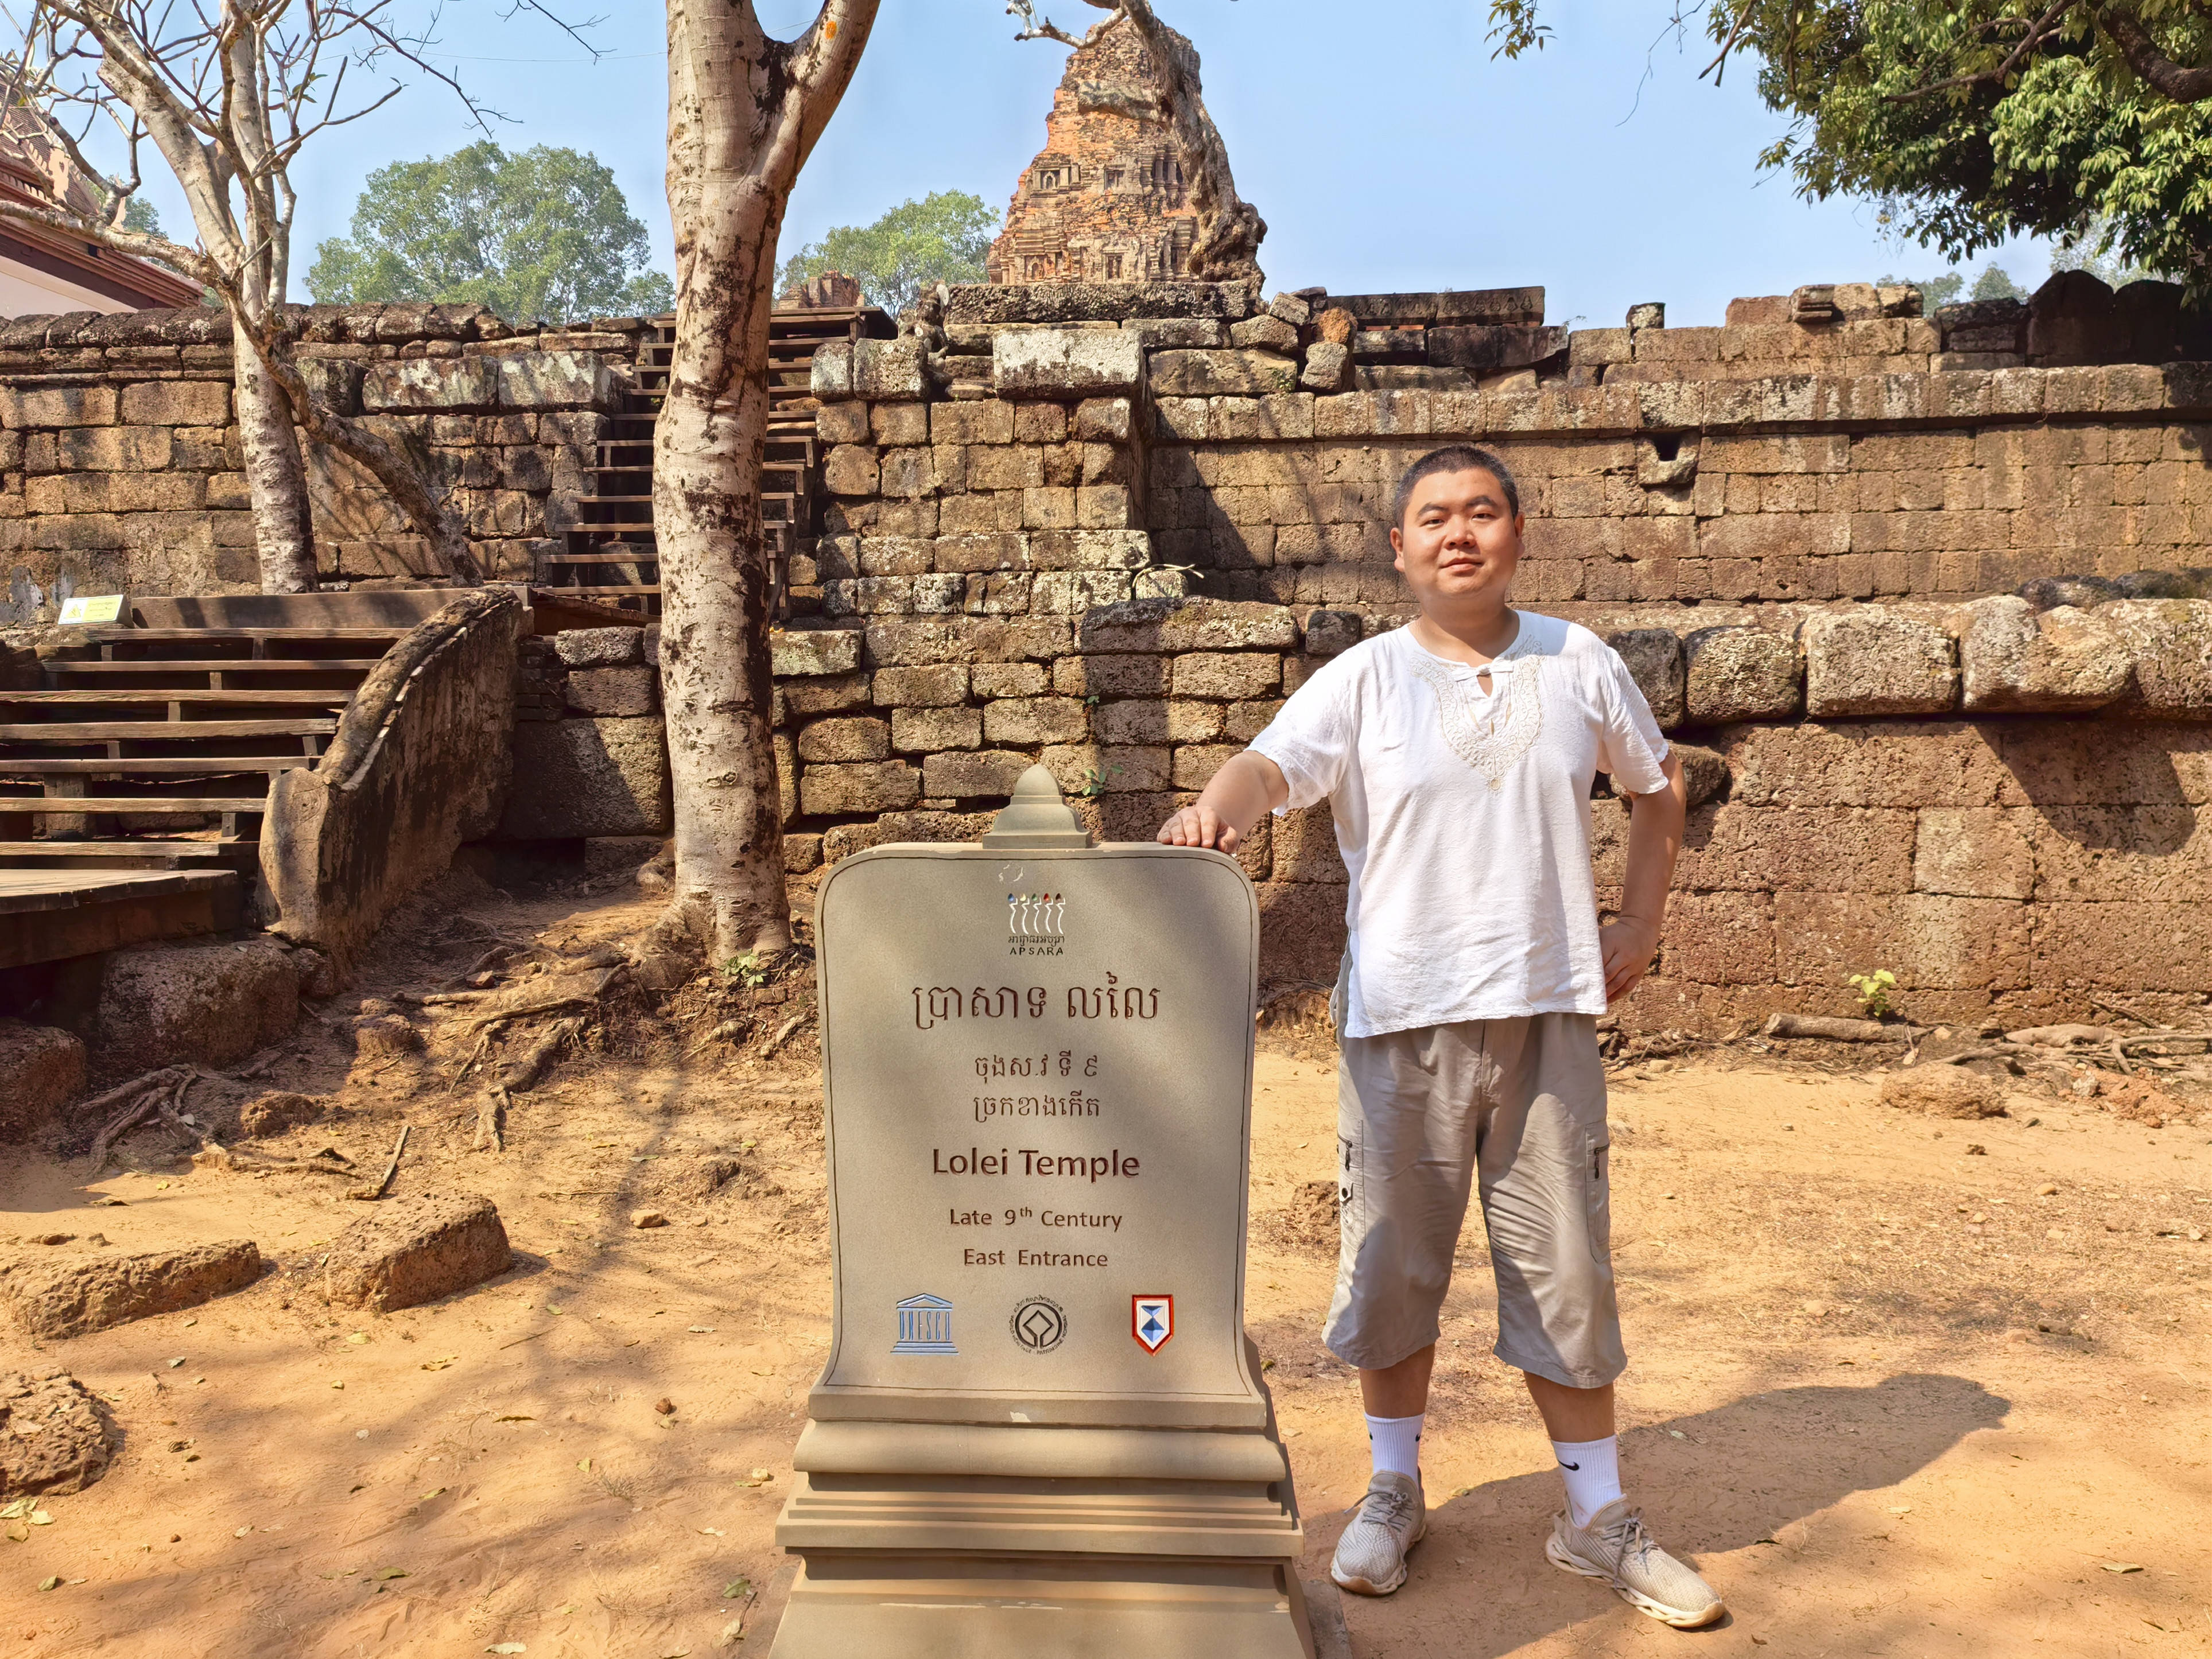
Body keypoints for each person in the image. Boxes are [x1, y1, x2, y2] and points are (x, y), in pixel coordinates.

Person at [1157, 445, 1723, 1629]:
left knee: (1565, 1269)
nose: (1457, 534)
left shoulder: (1578, 664)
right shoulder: (1362, 681)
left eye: (1480, 512)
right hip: (1399, 1021)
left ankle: (1596, 1517)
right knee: (1390, 1270)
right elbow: (1271, 765)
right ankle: (1393, 1488)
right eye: (1432, 518)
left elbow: (1657, 790)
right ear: (1403, 549)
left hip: (1545, 1017)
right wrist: (1222, 805)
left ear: (1517, 531)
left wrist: (1639, 920)